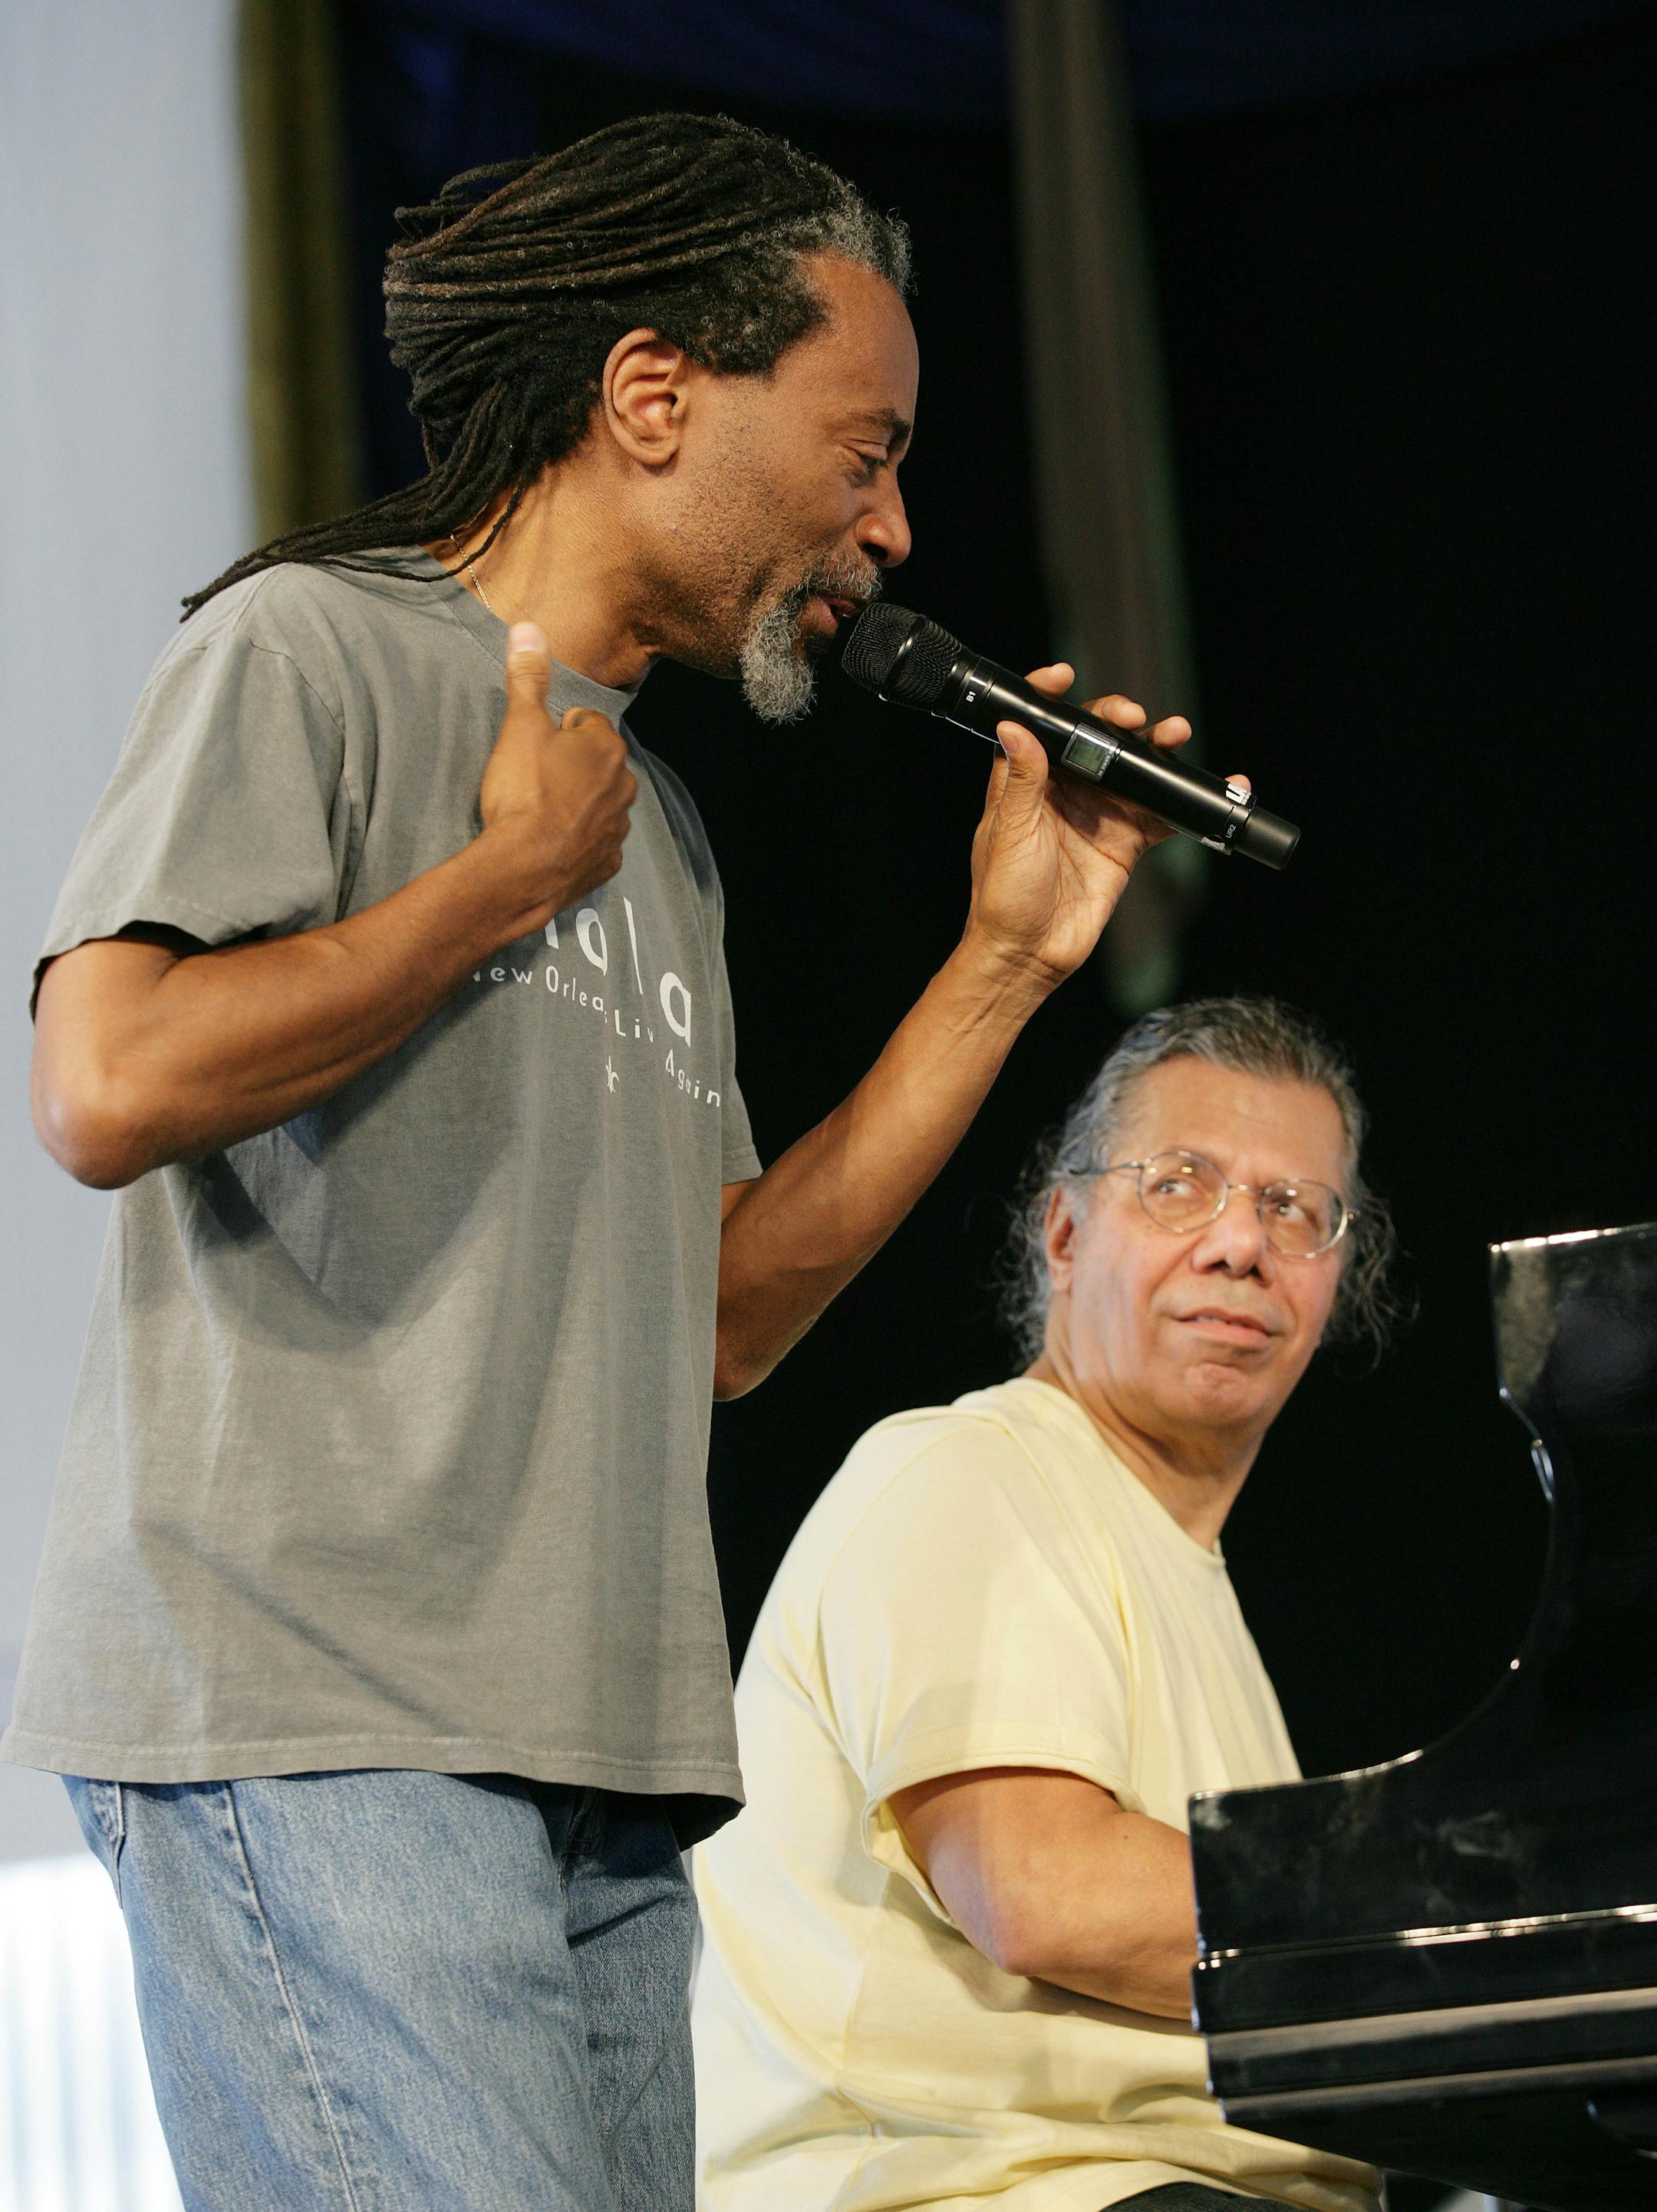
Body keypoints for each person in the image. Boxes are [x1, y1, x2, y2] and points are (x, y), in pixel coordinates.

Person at [5, 115, 1204, 2212]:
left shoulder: (659, 834)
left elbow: (724, 1316)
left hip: (597, 1760)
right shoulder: (315, 652)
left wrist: (1006, 964)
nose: (893, 527)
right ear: (655, 394)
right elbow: (104, 1077)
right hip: (323, 1711)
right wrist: (490, 886)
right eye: (864, 448)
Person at [692, 995, 1399, 2212]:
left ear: (1339, 1279)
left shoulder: (1197, 1591)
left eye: (1295, 1209)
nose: (1242, 1245)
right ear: (1063, 1234)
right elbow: (1042, 1889)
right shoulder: (964, 1474)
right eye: (1182, 1184)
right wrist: (1446, 1916)